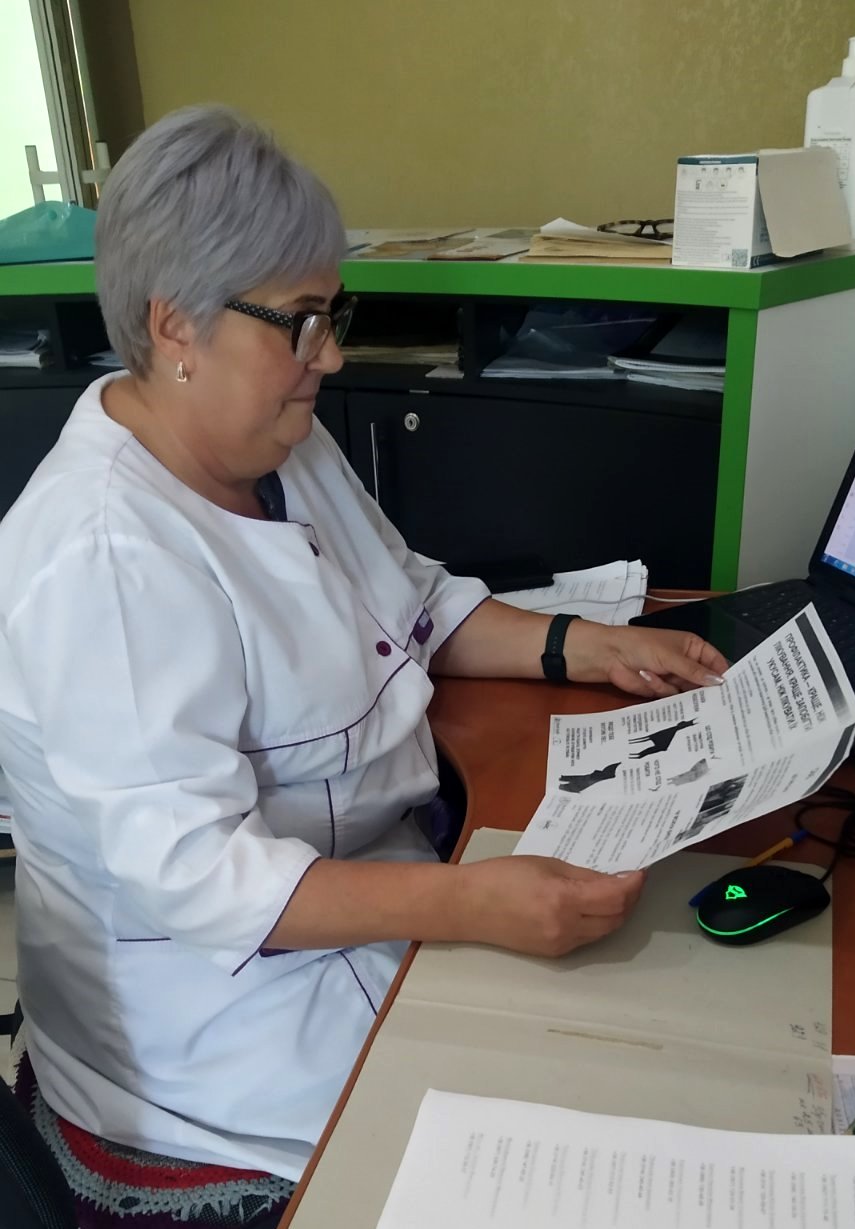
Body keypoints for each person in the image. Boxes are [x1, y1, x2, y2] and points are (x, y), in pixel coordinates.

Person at [0, 105, 729, 1194]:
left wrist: (587, 645)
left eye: (331, 313)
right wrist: (473, 903)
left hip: (371, 882)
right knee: (562, 1135)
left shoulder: (272, 439)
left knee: (647, 1030)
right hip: (219, 1015)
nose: (330, 355)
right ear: (175, 327)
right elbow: (204, 881)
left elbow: (408, 599)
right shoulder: (103, 555)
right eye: (300, 321)